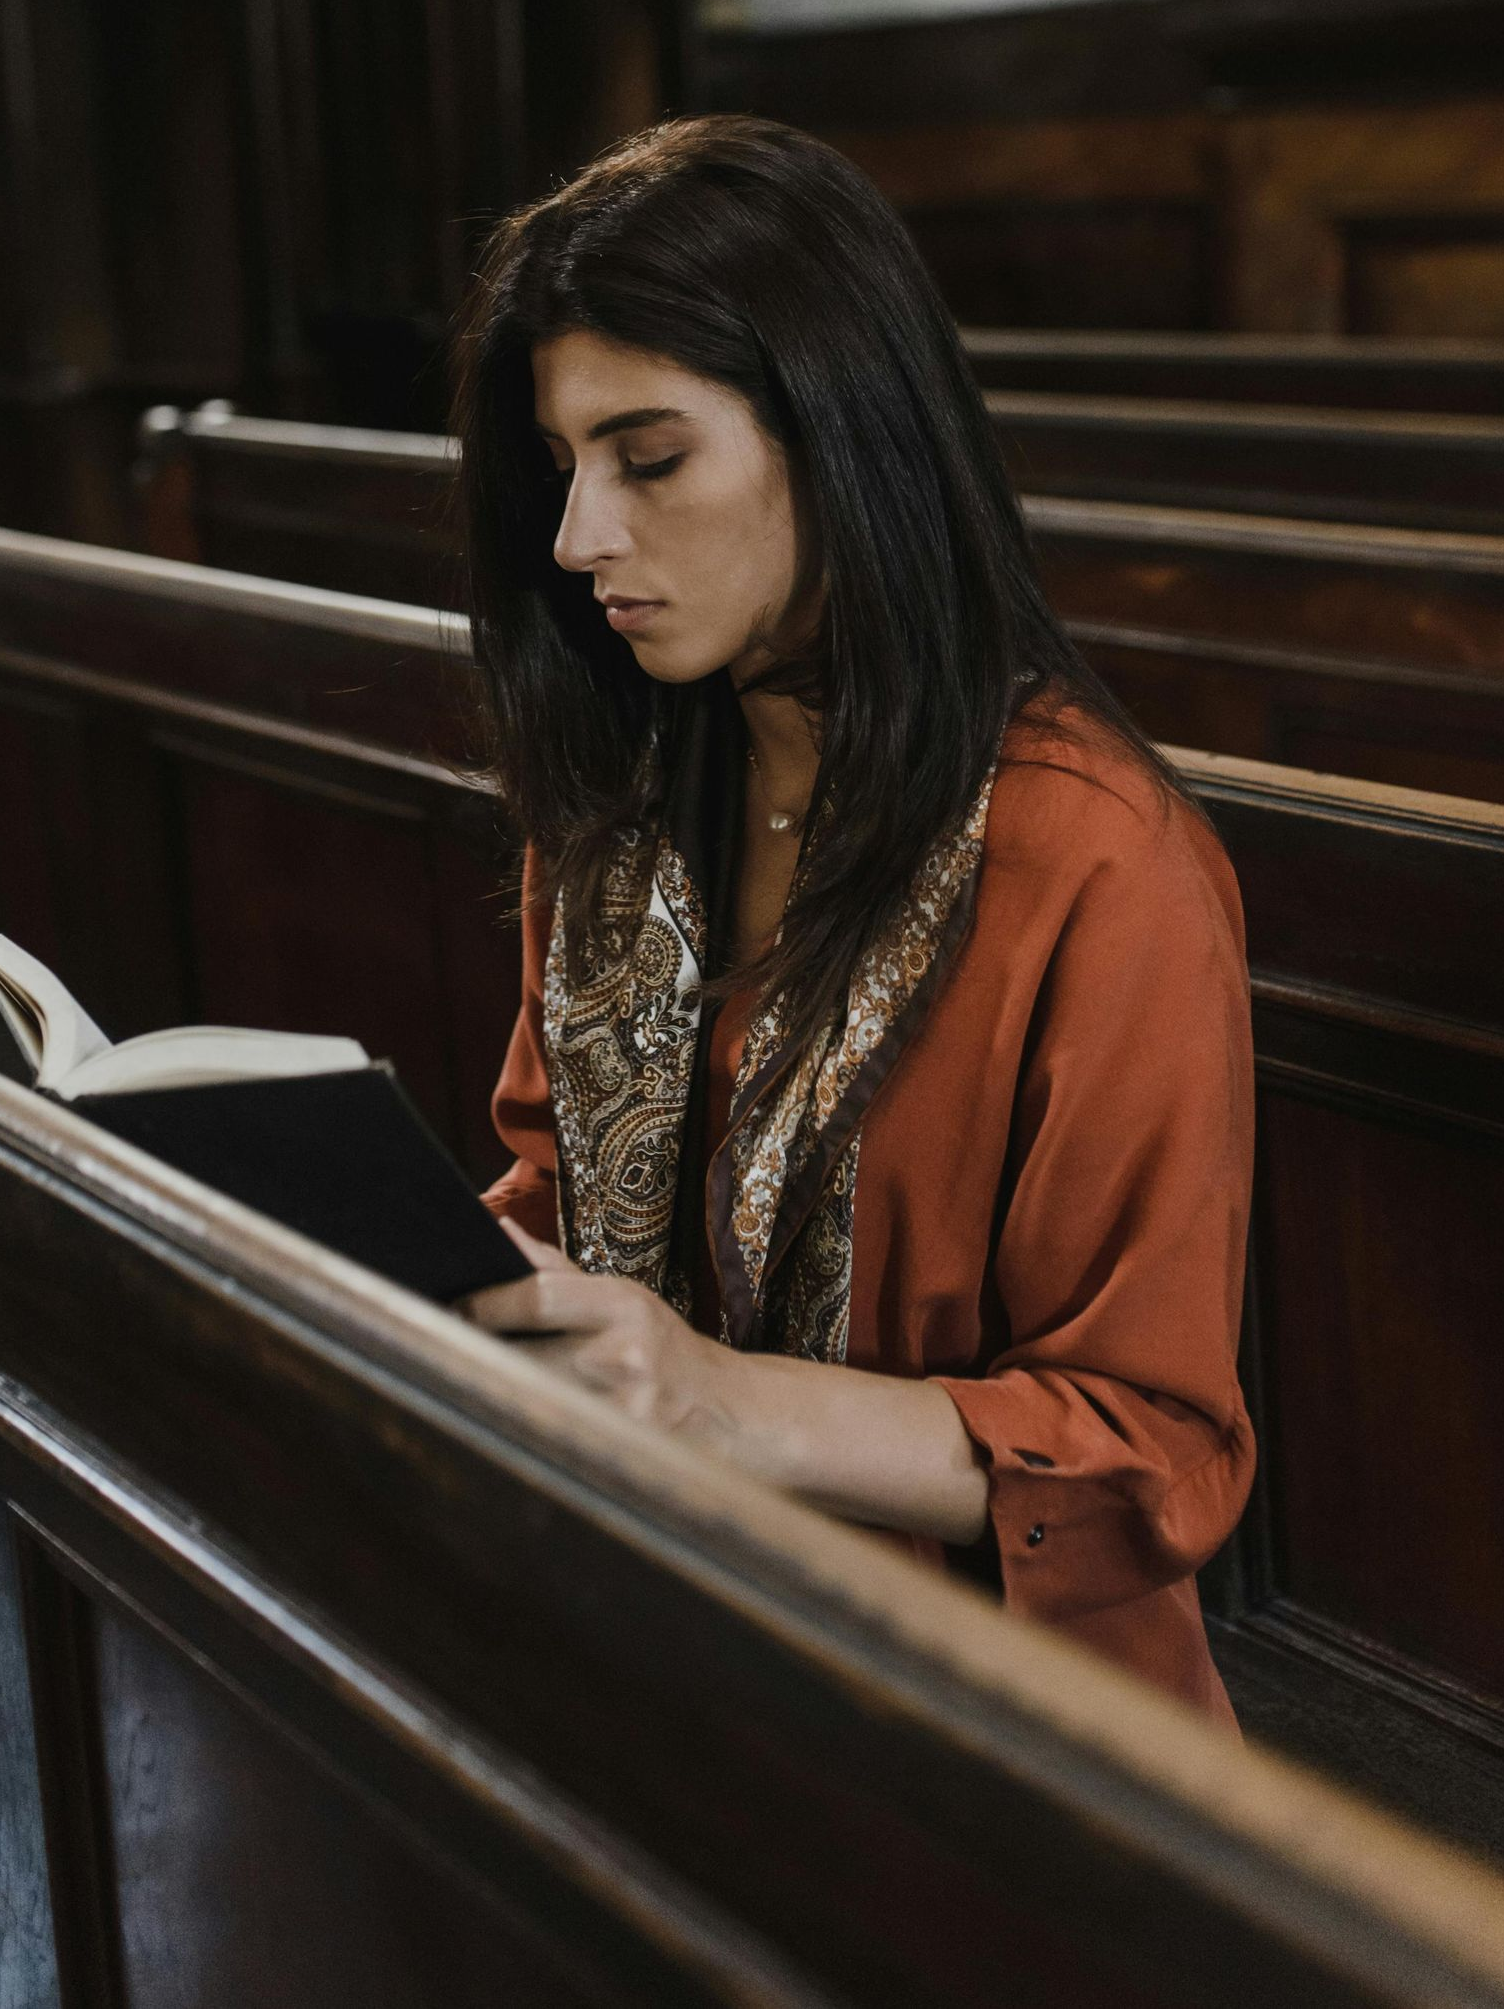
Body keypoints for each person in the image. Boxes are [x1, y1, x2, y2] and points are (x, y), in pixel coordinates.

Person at [448, 114, 1256, 1725]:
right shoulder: (620, 809)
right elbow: (556, 1190)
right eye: (561, 469)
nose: (579, 538)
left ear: (841, 433)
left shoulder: (1097, 865)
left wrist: (719, 1401)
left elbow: (1151, 1448)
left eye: (651, 459)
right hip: (661, 1623)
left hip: (999, 1717)